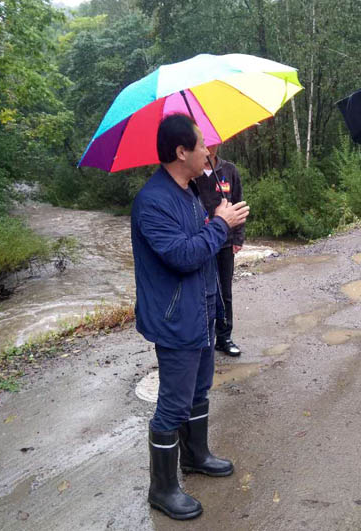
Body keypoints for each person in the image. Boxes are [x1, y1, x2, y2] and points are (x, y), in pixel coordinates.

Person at [131, 113, 250, 520]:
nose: (208, 151)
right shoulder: (153, 201)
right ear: (181, 152)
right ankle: (162, 489)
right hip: (175, 317)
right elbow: (182, 255)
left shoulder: (189, 192)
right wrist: (220, 225)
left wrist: (221, 221)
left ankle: (196, 456)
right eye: (201, 145)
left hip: (200, 310)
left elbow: (202, 248)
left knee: (199, 390)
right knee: (173, 403)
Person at [196, 143, 245, 357]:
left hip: (225, 241)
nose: (210, 147)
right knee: (202, 291)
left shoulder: (229, 170)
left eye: (213, 143)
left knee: (225, 292)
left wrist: (238, 237)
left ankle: (224, 337)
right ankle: (203, 338)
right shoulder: (192, 173)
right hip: (201, 241)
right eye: (205, 143)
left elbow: (238, 203)